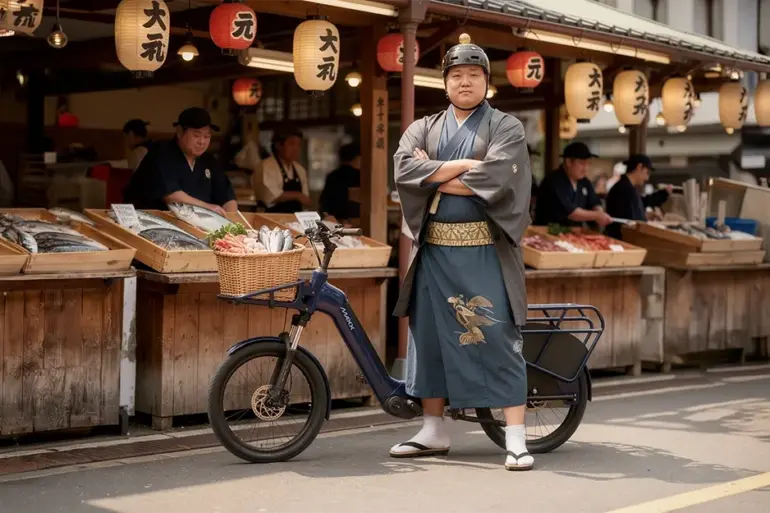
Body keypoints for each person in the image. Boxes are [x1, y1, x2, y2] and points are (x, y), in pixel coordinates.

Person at [392, 34, 533, 471]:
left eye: (474, 75)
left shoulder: (505, 126)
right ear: (445, 82)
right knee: (429, 337)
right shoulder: (423, 127)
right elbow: (403, 170)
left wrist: (433, 173)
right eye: (457, 75)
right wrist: (466, 167)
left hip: (484, 251)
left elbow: (497, 178)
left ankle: (515, 435)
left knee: (495, 335)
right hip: (433, 250)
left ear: (486, 82)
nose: (465, 82)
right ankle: (433, 430)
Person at [124, 107, 237, 214]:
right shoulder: (162, 152)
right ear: (179, 132)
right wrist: (209, 209)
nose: (202, 142)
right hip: (149, 222)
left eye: (207, 136)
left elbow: (227, 197)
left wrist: (232, 221)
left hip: (196, 227)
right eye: (196, 135)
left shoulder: (209, 160)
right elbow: (172, 196)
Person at [533, 142, 612, 228]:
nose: (586, 169)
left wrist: (599, 212)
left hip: (574, 233)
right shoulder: (554, 181)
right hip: (547, 232)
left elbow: (594, 202)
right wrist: (597, 216)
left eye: (588, 164)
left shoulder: (584, 182)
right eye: (582, 163)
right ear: (568, 162)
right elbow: (572, 213)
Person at [605, 154, 671, 239]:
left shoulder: (626, 187)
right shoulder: (625, 189)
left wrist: (646, 215)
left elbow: (630, 215)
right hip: (623, 240)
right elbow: (630, 222)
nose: (647, 178)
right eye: (647, 172)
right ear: (639, 167)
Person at [254, 124, 311, 213]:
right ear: (278, 145)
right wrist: (297, 195)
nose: (296, 149)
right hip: (270, 218)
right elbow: (271, 197)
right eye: (291, 144)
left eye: (298, 145)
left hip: (295, 219)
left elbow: (305, 199)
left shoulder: (300, 169)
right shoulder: (266, 166)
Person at [319, 142, 361, 223]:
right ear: (357, 158)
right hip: (357, 223)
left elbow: (324, 203)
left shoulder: (332, 176)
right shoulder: (362, 177)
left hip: (334, 222)